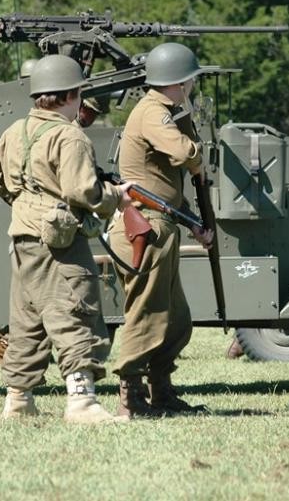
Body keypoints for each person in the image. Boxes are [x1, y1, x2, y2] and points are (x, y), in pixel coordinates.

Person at [0, 54, 131, 423]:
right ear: (70, 95)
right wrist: (117, 196)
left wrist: (20, 201)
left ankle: (18, 401)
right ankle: (82, 402)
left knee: (27, 318)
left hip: (23, 235)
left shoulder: (17, 130)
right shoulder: (69, 135)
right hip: (59, 241)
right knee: (73, 310)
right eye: (79, 93)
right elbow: (83, 191)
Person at [108, 42, 214, 419]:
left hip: (161, 222)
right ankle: (130, 398)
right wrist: (197, 151)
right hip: (145, 227)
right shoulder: (154, 112)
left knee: (176, 319)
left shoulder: (164, 110)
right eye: (191, 81)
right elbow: (186, 154)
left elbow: (165, 184)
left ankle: (161, 392)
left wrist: (195, 224)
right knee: (148, 314)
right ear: (181, 82)